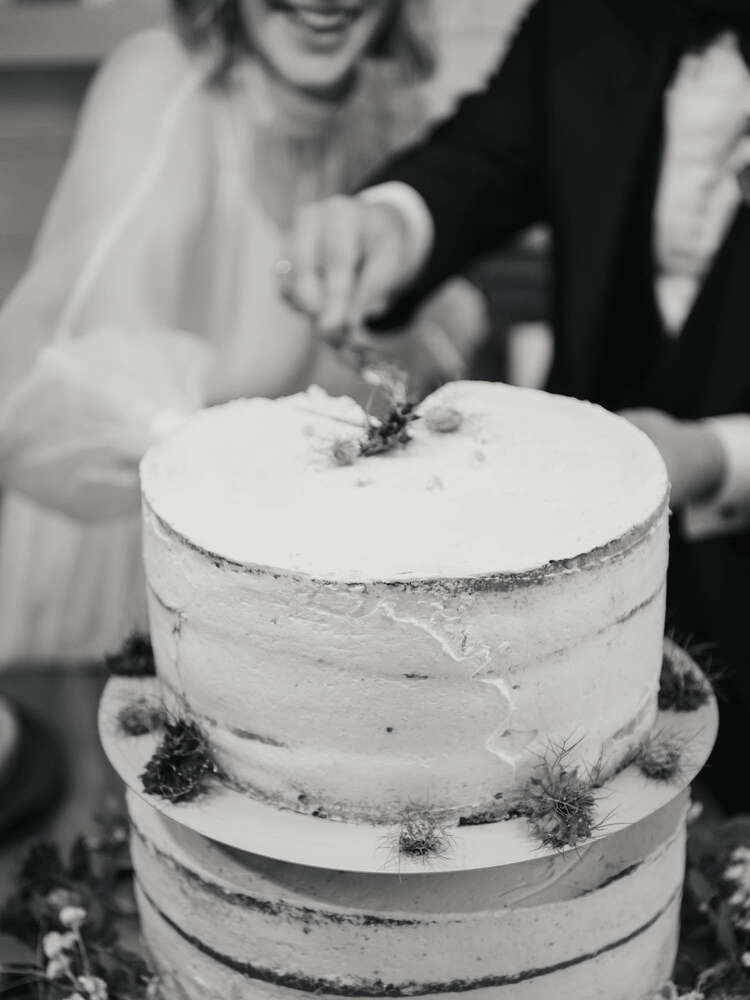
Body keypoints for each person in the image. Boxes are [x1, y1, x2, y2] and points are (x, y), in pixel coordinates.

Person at [280, 0, 750, 811]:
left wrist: (719, 456)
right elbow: (485, 156)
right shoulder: (586, 17)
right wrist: (391, 224)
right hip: (578, 585)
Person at [0, 0, 488, 666]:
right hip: (131, 532)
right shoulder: (163, 82)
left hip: (286, 563)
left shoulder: (385, 102)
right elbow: (94, 359)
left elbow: (415, 355)